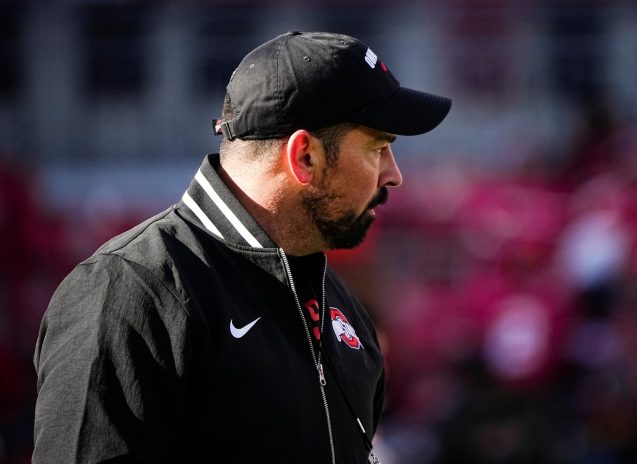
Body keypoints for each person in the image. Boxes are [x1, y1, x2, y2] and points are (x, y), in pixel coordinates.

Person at [33, 31, 451, 463]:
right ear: (304, 157)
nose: (394, 175)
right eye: (378, 148)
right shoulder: (126, 289)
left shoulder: (339, 305)